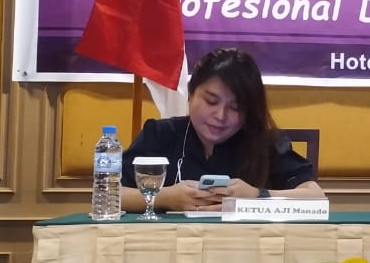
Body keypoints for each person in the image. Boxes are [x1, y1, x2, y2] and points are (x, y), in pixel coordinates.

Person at [121, 48, 325, 212]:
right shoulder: (160, 134)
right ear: (191, 94)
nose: (220, 115)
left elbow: (316, 197)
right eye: (211, 101)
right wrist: (164, 198)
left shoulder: (267, 143)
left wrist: (257, 196)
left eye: (235, 107)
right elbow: (111, 194)